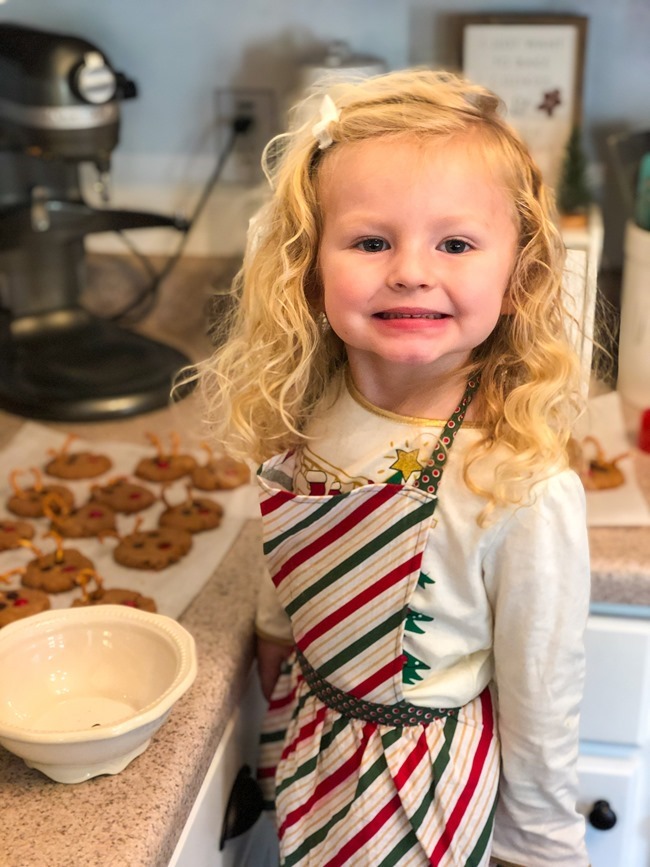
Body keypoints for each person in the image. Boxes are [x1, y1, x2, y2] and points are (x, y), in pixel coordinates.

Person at [196, 68, 591, 867]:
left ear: (520, 277)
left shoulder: (518, 481)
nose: (411, 269)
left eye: (454, 243)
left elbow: (542, 695)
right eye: (372, 241)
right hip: (312, 735)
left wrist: (544, 848)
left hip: (424, 788)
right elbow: (298, 533)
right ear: (309, 270)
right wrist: (278, 624)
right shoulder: (305, 407)